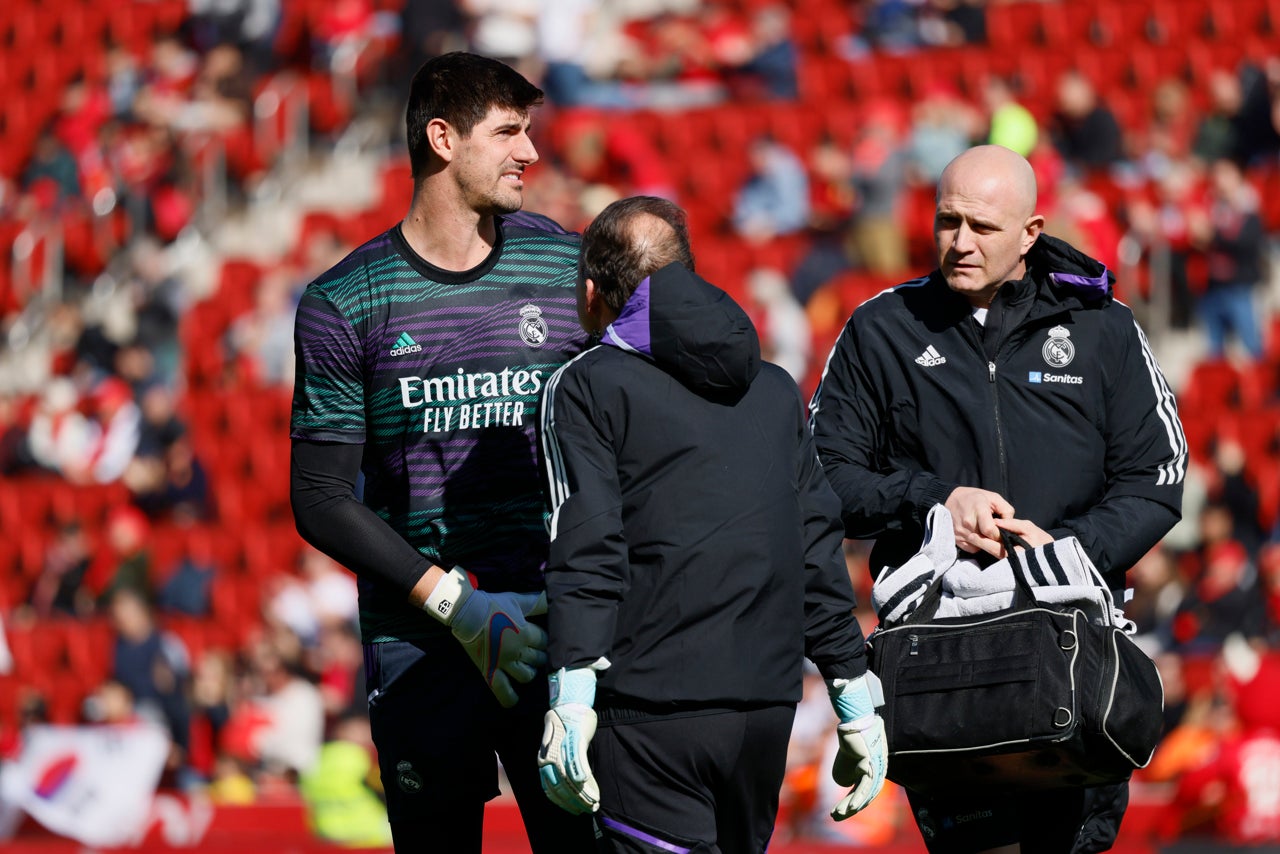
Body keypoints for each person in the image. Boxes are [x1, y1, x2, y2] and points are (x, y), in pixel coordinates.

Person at [809, 144, 1187, 854]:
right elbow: (821, 477)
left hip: (1072, 653)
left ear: (1030, 232)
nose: (960, 242)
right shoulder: (881, 329)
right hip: (944, 666)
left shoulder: (1102, 326)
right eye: (947, 221)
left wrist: (1067, 554)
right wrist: (935, 504)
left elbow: (1158, 476)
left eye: (982, 227)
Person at [289, 52, 595, 853]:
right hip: (421, 640)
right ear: (442, 139)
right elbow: (320, 496)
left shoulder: (565, 265)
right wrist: (456, 606)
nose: (530, 151)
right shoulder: (345, 300)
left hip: (554, 632)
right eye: (508, 132)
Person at [535, 196, 888, 852]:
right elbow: (815, 549)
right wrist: (852, 693)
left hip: (649, 712)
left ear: (590, 294)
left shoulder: (584, 385)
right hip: (765, 715)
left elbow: (587, 547)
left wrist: (571, 695)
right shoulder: (776, 387)